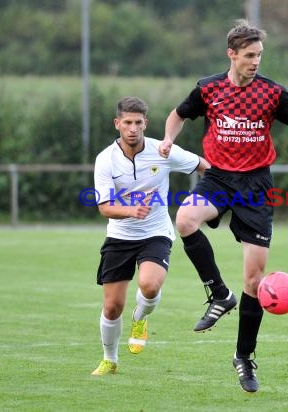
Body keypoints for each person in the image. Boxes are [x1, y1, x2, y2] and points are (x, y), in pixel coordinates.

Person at [158, 20, 288, 392]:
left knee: (255, 281)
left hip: (256, 186)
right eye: (250, 55)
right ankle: (219, 294)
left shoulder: (272, 94)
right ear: (232, 54)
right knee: (186, 218)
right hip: (219, 178)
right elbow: (178, 115)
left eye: (259, 55)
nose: (256, 61)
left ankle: (243, 357)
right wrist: (167, 139)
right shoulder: (208, 89)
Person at [91, 96, 209, 376]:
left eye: (138, 122)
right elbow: (104, 207)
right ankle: (110, 359)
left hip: (156, 232)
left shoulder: (163, 151)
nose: (133, 128)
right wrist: (131, 210)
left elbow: (205, 166)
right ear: (117, 124)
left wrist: (220, 194)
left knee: (150, 286)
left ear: (146, 123)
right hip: (120, 236)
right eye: (127, 122)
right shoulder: (106, 159)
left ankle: (140, 317)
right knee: (111, 306)